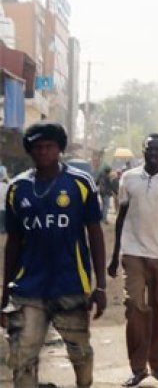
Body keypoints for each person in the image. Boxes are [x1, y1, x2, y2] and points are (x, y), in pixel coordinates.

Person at [1, 122, 107, 388]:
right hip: (28, 289)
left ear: (60, 149)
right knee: (22, 357)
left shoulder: (80, 184)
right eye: (37, 147)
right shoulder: (17, 188)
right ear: (30, 151)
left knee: (80, 355)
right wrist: (5, 293)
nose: (43, 152)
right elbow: (13, 242)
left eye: (49, 146)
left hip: (70, 285)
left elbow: (95, 235)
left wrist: (101, 286)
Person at [108, 133, 158, 387]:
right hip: (133, 253)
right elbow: (121, 217)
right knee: (134, 306)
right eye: (148, 149)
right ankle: (138, 367)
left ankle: (157, 364)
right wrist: (114, 255)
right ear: (142, 151)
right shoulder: (129, 178)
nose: (152, 154)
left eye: (157, 150)